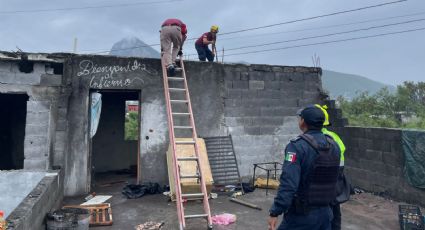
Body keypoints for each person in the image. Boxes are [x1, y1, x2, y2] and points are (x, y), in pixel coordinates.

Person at [268, 105, 341, 230]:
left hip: (302, 216)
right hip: (326, 213)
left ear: (303, 122)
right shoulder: (334, 145)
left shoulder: (297, 146)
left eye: (300, 118)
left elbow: (289, 183)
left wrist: (275, 211)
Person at [315, 104, 349, 230]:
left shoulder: (316, 139)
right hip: (336, 179)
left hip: (322, 184)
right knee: (335, 211)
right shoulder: (334, 136)